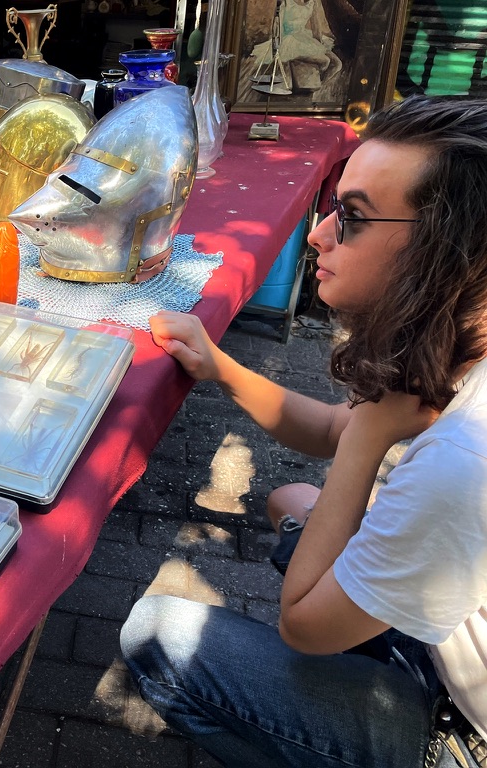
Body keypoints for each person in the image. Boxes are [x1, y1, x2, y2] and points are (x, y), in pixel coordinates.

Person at [120, 95, 487, 768]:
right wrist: (220, 367)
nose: (318, 234)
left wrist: (371, 435)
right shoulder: (465, 346)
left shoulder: (466, 457)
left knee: (155, 636)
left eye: (351, 217)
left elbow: (303, 626)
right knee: (295, 505)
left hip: (468, 735)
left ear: (447, 255)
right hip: (452, 639)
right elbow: (328, 426)